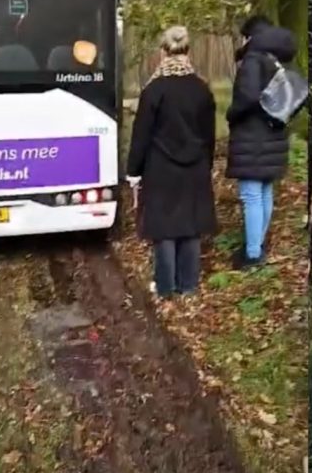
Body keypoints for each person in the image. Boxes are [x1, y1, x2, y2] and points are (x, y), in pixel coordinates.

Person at [127, 26, 218, 298]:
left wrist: (134, 171)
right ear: (188, 52)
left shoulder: (154, 90)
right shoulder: (202, 89)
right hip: (195, 167)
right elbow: (209, 134)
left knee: (164, 228)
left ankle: (166, 287)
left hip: (161, 168)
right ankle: (188, 285)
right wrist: (208, 163)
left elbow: (141, 134)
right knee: (190, 227)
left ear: (162, 53)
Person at [225, 16, 298, 269]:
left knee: (251, 196)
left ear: (250, 36)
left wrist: (231, 114)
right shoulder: (275, 61)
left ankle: (253, 254)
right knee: (264, 192)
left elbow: (246, 98)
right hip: (273, 136)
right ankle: (258, 244)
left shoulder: (253, 61)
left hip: (252, 138)